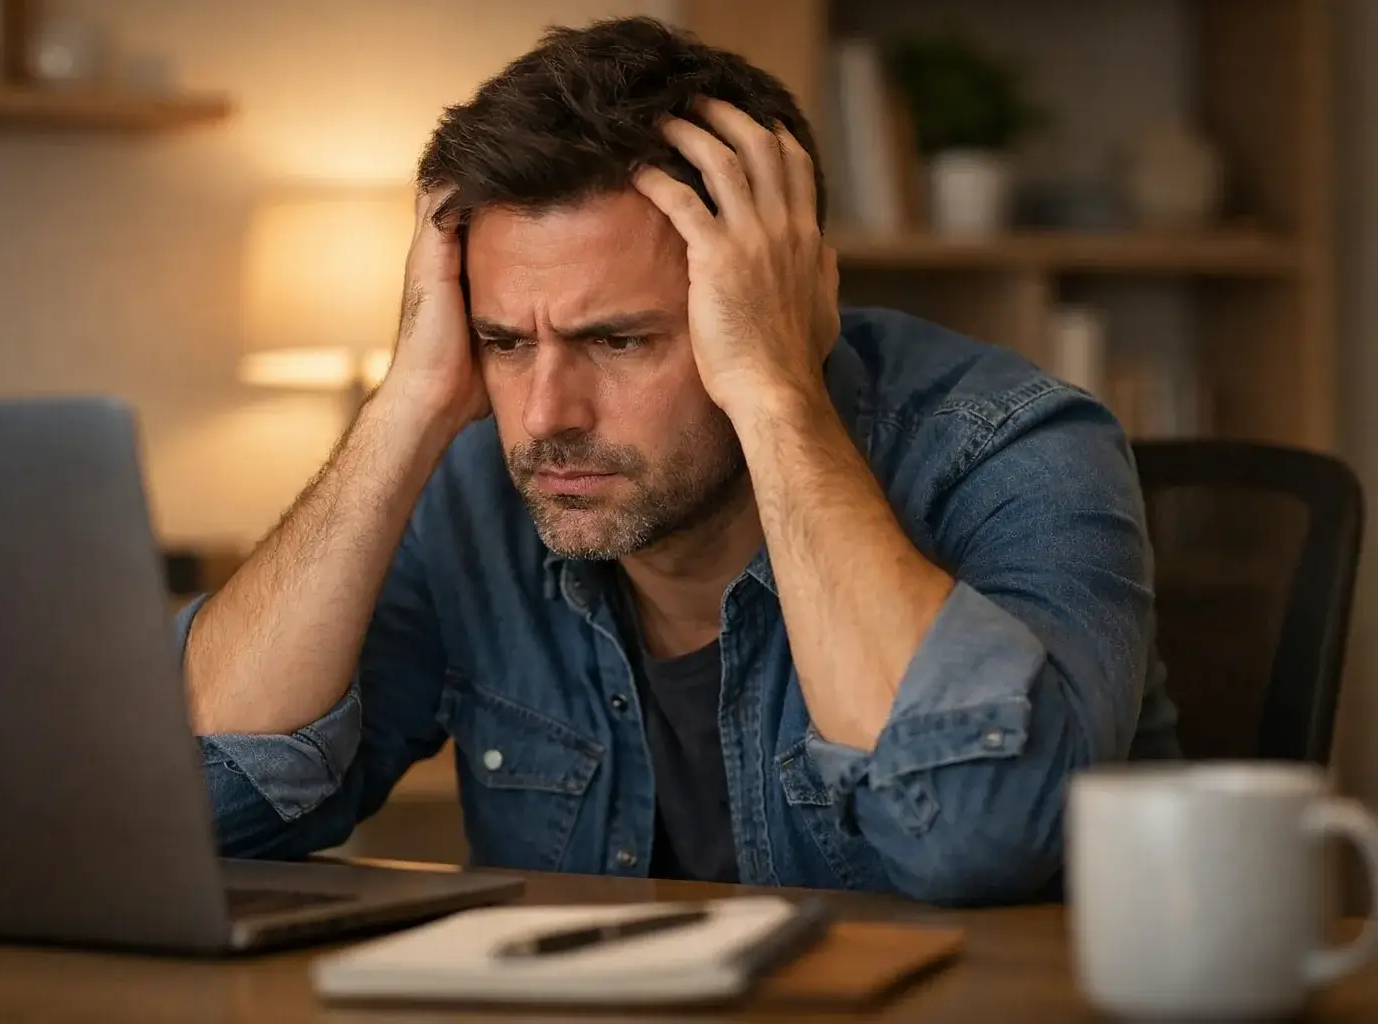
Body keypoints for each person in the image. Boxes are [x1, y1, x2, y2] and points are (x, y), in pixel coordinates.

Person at [178, 16, 1179, 906]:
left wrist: (780, 392)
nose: (546, 417)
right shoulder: (477, 486)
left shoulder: (1018, 448)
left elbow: (978, 834)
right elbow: (190, 811)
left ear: (784, 299)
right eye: (505, 341)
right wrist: (405, 405)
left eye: (619, 341)